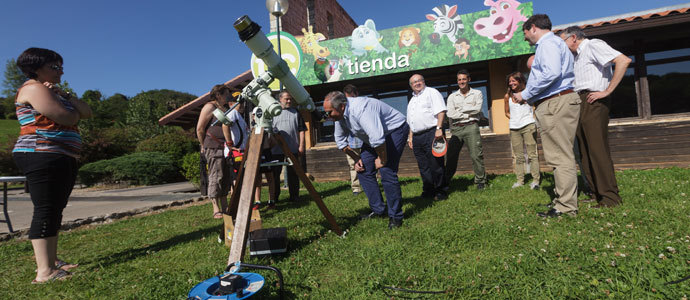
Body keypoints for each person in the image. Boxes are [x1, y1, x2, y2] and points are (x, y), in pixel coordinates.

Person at [13, 47, 92, 283]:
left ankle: (52, 260)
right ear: (36, 69)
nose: (61, 71)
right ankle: (44, 271)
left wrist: (65, 96)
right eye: (54, 67)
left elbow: (87, 112)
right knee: (46, 209)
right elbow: (67, 117)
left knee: (55, 208)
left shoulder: (53, 92)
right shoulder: (33, 88)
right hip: (41, 153)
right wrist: (71, 110)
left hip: (58, 155)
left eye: (61, 67)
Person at [512, 14, 580, 218]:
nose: (526, 38)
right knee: (560, 154)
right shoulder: (556, 44)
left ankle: (566, 207)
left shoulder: (547, 43)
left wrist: (525, 94)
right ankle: (563, 202)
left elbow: (550, 73)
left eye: (525, 33)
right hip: (556, 101)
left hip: (554, 103)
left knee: (560, 155)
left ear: (533, 28)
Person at [560, 26, 631, 208]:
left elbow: (623, 61)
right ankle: (595, 193)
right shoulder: (577, 57)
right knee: (584, 150)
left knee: (597, 149)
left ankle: (610, 198)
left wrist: (607, 91)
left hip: (594, 100)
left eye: (563, 41)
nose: (562, 46)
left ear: (573, 38)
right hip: (579, 101)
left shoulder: (593, 45)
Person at [324, 91, 409, 229]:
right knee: (362, 169)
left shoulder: (360, 110)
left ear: (341, 107)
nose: (327, 116)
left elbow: (378, 138)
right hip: (374, 139)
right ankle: (379, 210)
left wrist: (382, 159)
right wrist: (356, 158)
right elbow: (341, 142)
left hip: (394, 130)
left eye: (329, 112)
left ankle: (396, 216)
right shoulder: (339, 117)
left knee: (387, 170)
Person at [407, 74, 448, 200]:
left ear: (424, 81)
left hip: (432, 132)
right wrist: (410, 137)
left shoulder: (432, 92)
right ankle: (429, 190)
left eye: (419, 80)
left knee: (436, 164)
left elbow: (441, 111)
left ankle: (441, 191)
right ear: (411, 85)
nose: (417, 83)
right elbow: (411, 121)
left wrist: (439, 128)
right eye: (414, 82)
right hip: (417, 137)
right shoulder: (412, 99)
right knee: (423, 166)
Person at [445, 69, 487, 190]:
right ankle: (446, 182)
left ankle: (480, 181)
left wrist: (460, 110)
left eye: (464, 79)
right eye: (459, 80)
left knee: (476, 155)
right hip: (457, 128)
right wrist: (467, 112)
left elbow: (477, 109)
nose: (461, 82)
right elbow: (451, 114)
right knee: (451, 156)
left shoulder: (477, 93)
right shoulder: (452, 96)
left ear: (469, 79)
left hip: (471, 126)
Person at [197, 84, 232, 219]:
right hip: (213, 146)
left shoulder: (225, 107)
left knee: (225, 177)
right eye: (226, 94)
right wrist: (203, 145)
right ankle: (215, 207)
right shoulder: (209, 107)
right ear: (218, 95)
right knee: (215, 176)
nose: (228, 96)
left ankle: (225, 205)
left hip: (224, 147)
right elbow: (200, 129)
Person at [503, 71, 541, 190]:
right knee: (518, 156)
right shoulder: (507, 96)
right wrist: (514, 119)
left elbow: (536, 107)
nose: (511, 83)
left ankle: (536, 181)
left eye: (514, 80)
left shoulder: (528, 93)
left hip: (528, 125)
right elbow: (506, 112)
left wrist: (530, 118)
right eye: (510, 81)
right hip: (514, 128)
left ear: (520, 81)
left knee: (532, 154)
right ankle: (520, 181)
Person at [270, 91, 307, 203]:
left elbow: (302, 130)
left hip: (293, 148)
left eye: (290, 99)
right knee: (275, 175)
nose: (289, 101)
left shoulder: (296, 112)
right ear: (280, 99)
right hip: (276, 150)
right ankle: (275, 197)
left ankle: (294, 196)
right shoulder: (272, 113)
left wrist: (301, 146)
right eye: (286, 99)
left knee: (293, 174)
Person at [343, 84, 363, 196]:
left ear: (356, 94)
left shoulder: (362, 105)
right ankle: (356, 188)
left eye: (352, 96)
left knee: (369, 163)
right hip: (351, 142)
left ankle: (370, 184)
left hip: (365, 142)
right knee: (352, 165)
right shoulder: (344, 108)